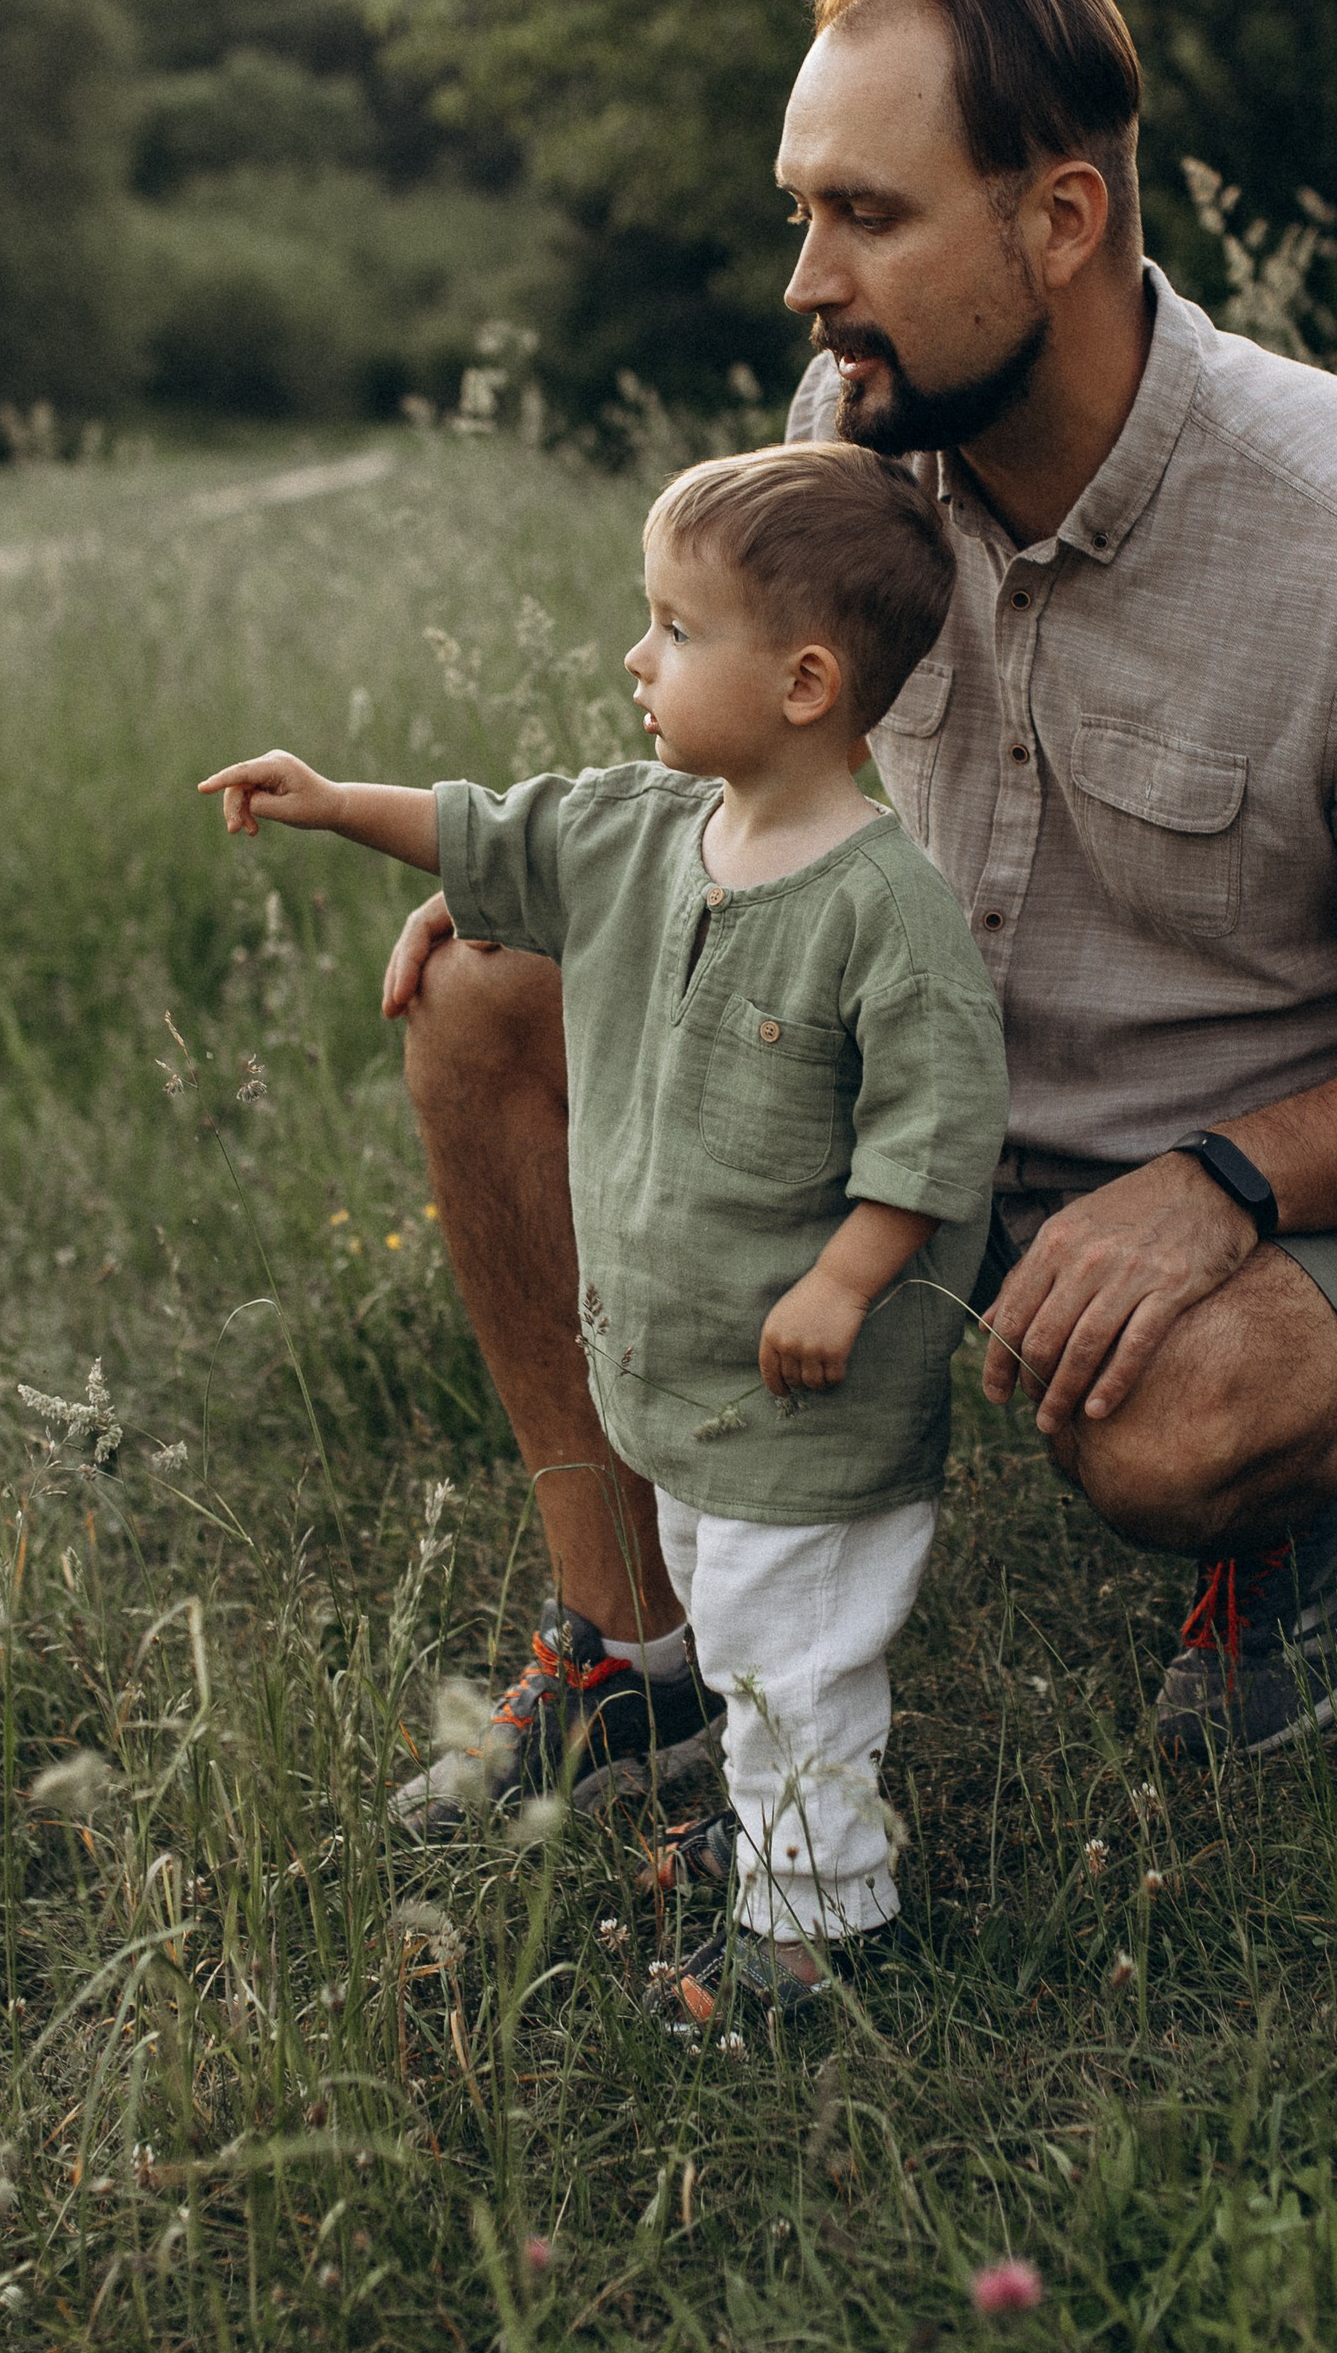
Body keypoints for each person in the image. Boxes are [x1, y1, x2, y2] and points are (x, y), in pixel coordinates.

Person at [381, 0, 1337, 1764]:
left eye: (868, 217)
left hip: (1293, 1183)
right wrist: (578, 874)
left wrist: (1222, 1184)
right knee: (488, 988)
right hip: (932, 1107)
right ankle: (634, 1647)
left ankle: (1293, 1514)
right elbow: (766, 741)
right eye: (803, 212)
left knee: (1168, 1422)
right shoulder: (859, 439)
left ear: (1059, 219)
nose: (810, 285)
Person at [200, 442, 1008, 2013]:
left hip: (805, 1398)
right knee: (727, 1617)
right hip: (684, 1378)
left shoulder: (882, 909)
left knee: (794, 1661)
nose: (637, 658)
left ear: (804, 682)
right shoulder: (649, 835)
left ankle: (814, 1928)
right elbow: (485, 832)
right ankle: (767, 1835)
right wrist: (326, 801)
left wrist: (848, 1282)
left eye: (675, 629)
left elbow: (937, 1128)